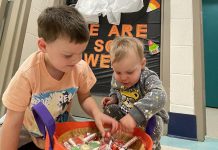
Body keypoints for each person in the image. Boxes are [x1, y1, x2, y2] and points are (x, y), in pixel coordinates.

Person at [0, 5, 119, 150]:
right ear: (43, 46)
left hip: (59, 122)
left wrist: (97, 114)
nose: (76, 60)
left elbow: (85, 97)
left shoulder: (79, 68)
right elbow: (12, 124)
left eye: (81, 52)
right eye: (68, 55)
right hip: (26, 127)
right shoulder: (27, 74)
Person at [102, 36, 169, 150]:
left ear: (142, 64)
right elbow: (115, 88)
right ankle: (116, 140)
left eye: (129, 72)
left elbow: (160, 96)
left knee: (155, 121)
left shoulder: (147, 76)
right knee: (110, 108)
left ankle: (150, 146)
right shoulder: (116, 77)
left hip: (146, 120)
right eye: (118, 72)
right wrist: (114, 98)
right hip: (125, 115)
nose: (123, 77)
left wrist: (134, 116)